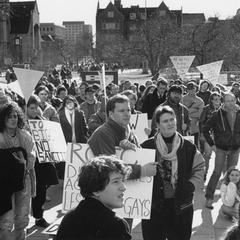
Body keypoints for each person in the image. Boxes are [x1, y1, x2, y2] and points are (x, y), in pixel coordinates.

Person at [141, 105, 205, 240]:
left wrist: (191, 185)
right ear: (157, 124)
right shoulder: (146, 147)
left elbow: (199, 168)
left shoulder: (188, 147)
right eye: (165, 121)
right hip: (154, 206)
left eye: (172, 119)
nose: (170, 123)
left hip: (181, 205)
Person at [55, 155, 132, 240]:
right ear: (96, 190)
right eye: (116, 181)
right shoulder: (115, 225)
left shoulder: (70, 216)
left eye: (123, 180)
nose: (123, 187)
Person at [0, 102, 36, 240]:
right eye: (9, 117)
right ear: (3, 118)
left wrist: (23, 164)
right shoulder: (1, 137)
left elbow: (31, 159)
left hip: (23, 180)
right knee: (6, 221)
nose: (13, 119)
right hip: (4, 184)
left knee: (22, 218)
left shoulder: (25, 136)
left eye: (15, 116)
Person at [26, 95, 59, 228]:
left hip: (41, 163)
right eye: (31, 108)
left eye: (36, 107)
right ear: (25, 108)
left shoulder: (41, 120)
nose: (35, 111)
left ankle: (39, 217)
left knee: (40, 190)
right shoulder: (19, 122)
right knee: (24, 192)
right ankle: (22, 222)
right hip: (26, 163)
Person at [204, 92, 240, 209]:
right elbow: (205, 129)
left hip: (235, 149)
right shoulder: (217, 114)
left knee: (231, 175)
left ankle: (230, 199)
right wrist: (212, 144)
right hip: (221, 149)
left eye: (232, 100)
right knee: (216, 172)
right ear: (223, 102)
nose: (230, 103)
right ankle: (209, 197)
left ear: (235, 101)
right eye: (228, 101)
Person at [199, 92, 222, 180]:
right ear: (211, 100)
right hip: (208, 135)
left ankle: (220, 175)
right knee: (207, 154)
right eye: (215, 99)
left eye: (219, 99)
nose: (218, 101)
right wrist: (201, 134)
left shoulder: (223, 109)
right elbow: (201, 122)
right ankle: (205, 173)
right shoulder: (206, 109)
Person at [182, 81, 204, 147]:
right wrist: (194, 110)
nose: (191, 90)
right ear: (187, 89)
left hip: (195, 127)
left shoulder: (200, 101)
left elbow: (200, 114)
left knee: (195, 146)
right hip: (184, 126)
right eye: (189, 89)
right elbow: (181, 112)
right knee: (184, 146)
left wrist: (187, 111)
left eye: (193, 88)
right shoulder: (182, 99)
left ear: (196, 88)